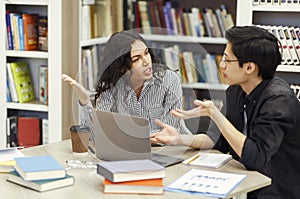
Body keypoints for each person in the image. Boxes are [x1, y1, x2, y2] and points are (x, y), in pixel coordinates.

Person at [150, 26, 300, 199]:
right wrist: (179, 139)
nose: (221, 65)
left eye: (227, 60)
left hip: (278, 188)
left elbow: (256, 156)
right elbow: (218, 140)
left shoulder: (279, 100)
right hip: (247, 181)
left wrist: (216, 115)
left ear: (249, 67)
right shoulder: (235, 91)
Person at [62, 30, 189, 142]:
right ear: (122, 67)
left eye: (146, 53)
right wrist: (85, 102)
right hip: (129, 155)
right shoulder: (111, 87)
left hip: (171, 154)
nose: (146, 61)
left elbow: (168, 134)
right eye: (137, 59)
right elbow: (95, 137)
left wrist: (125, 138)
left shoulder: (169, 80)